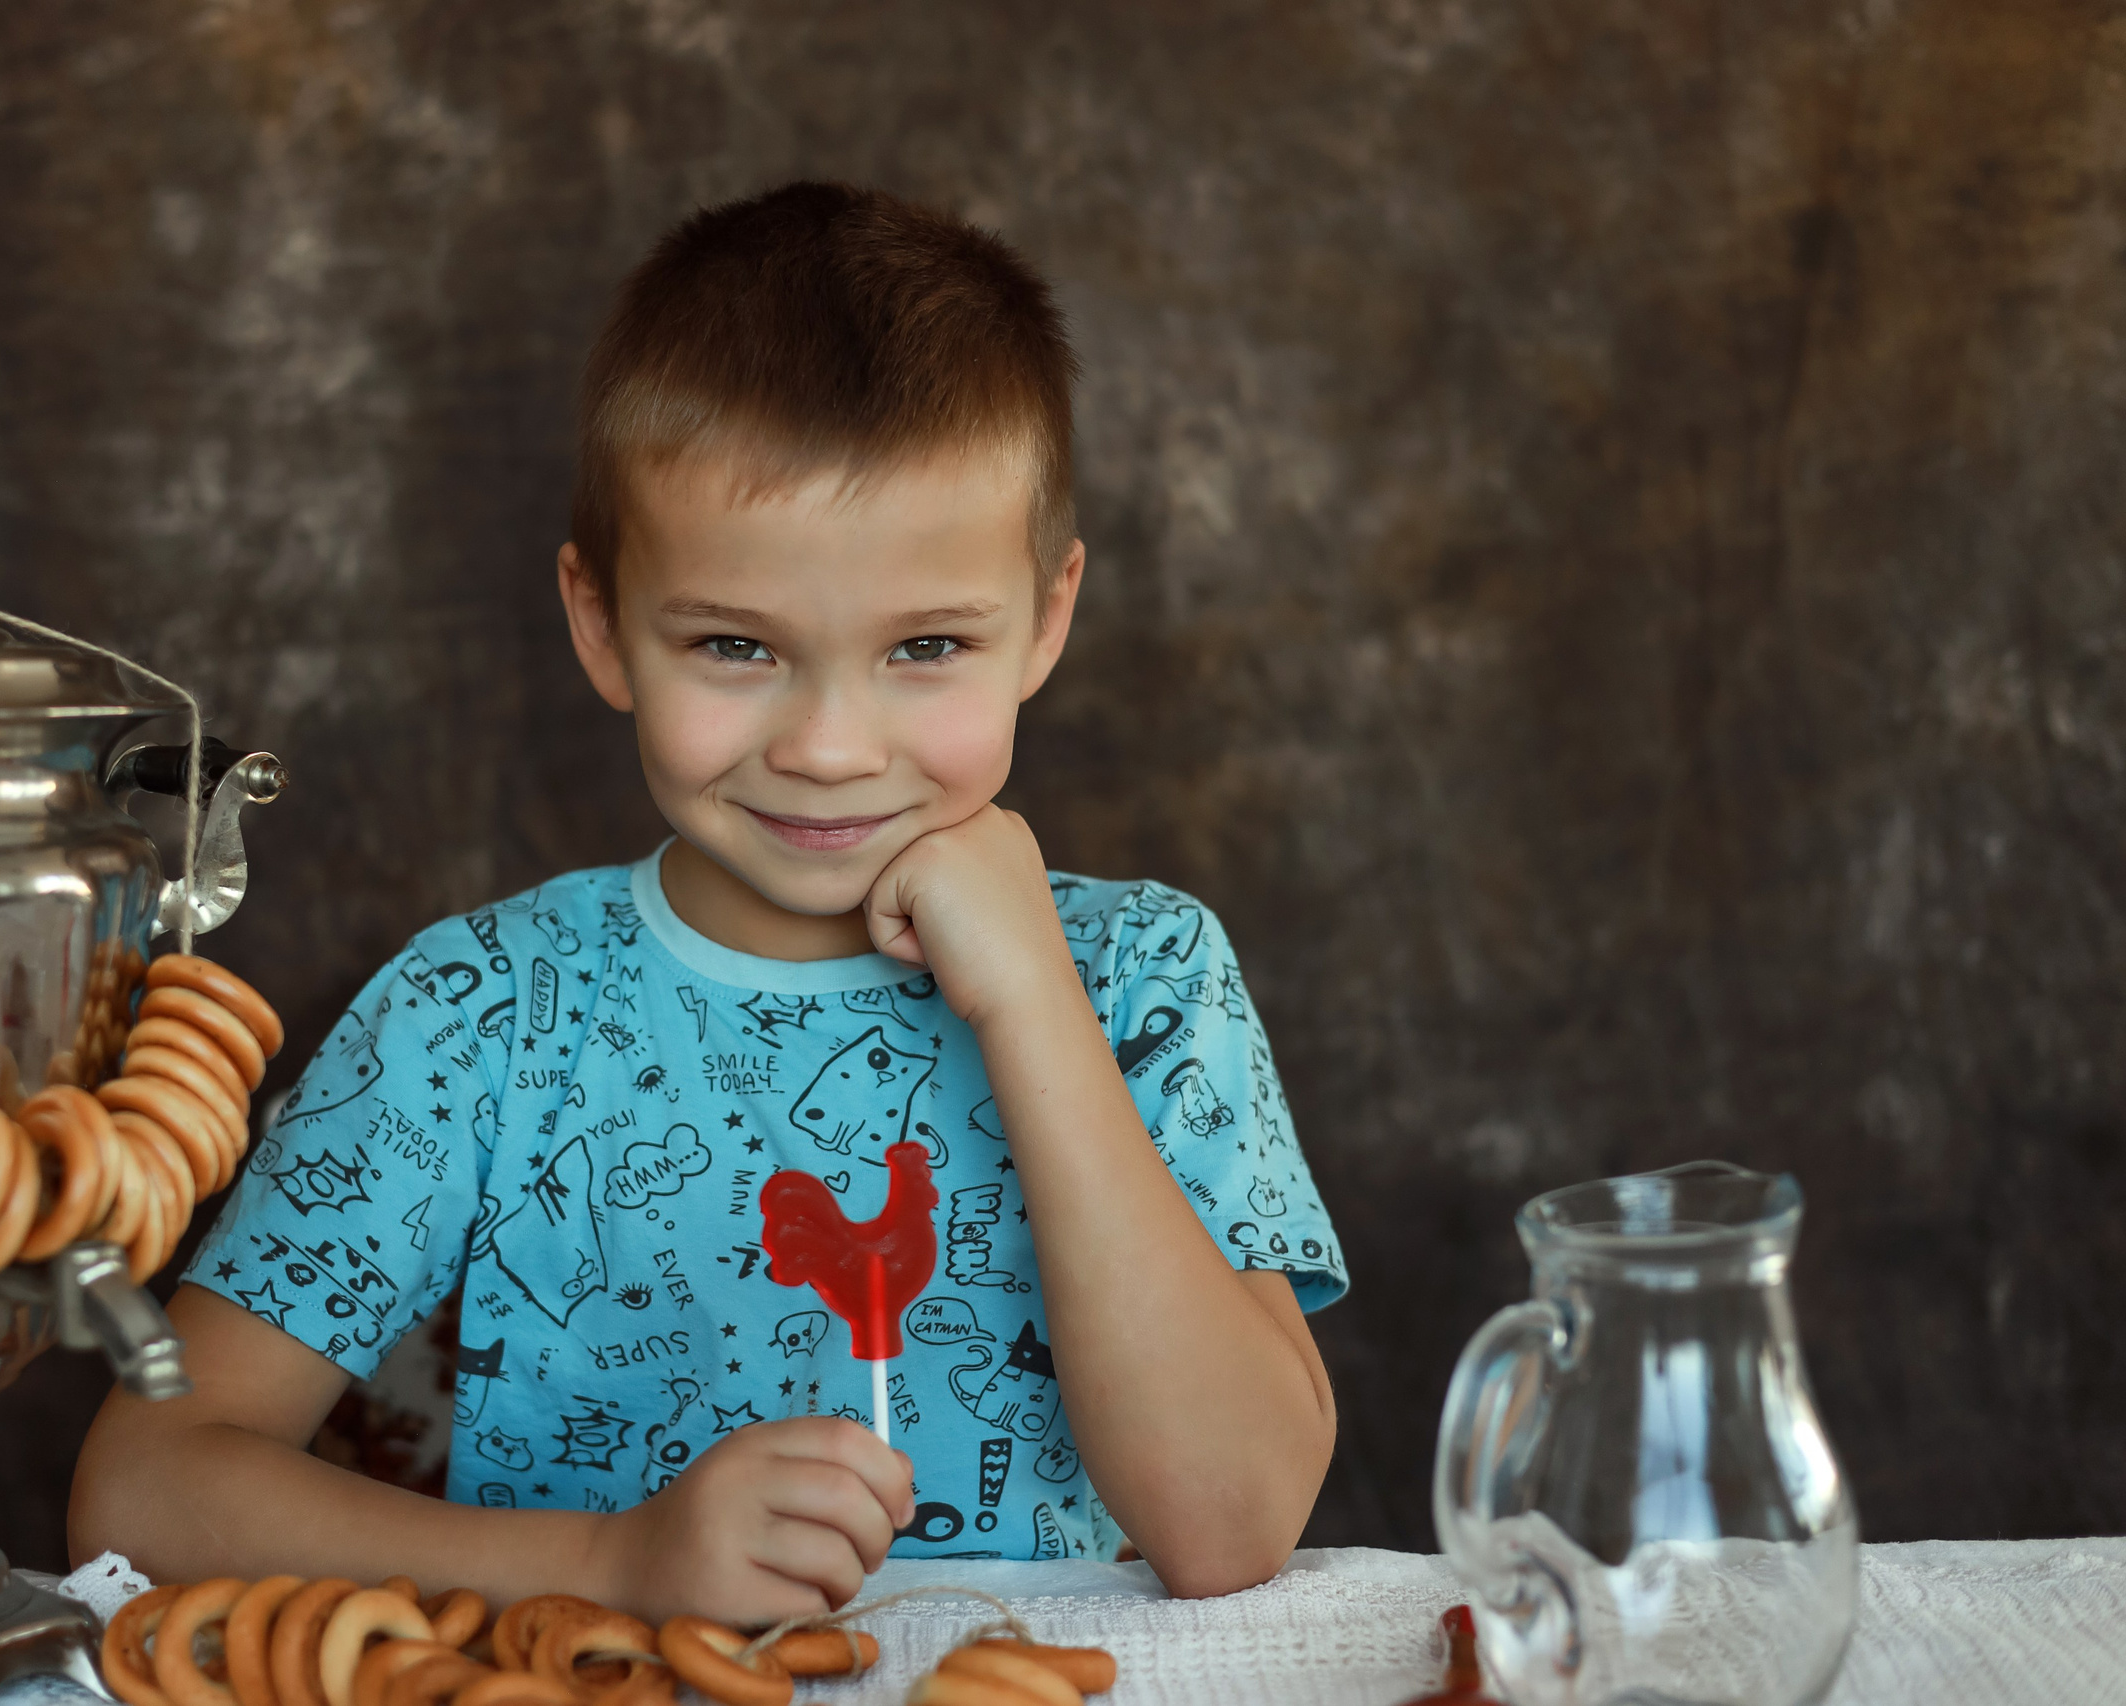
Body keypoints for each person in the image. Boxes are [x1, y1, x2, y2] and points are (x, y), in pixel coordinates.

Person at [70, 181, 1345, 1623]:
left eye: (926, 644)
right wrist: (609, 1564)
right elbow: (144, 1485)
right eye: (738, 645)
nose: (829, 745)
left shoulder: (1146, 977)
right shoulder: (478, 1012)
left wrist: (1033, 995)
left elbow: (1232, 1524)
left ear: (1046, 618)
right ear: (604, 622)